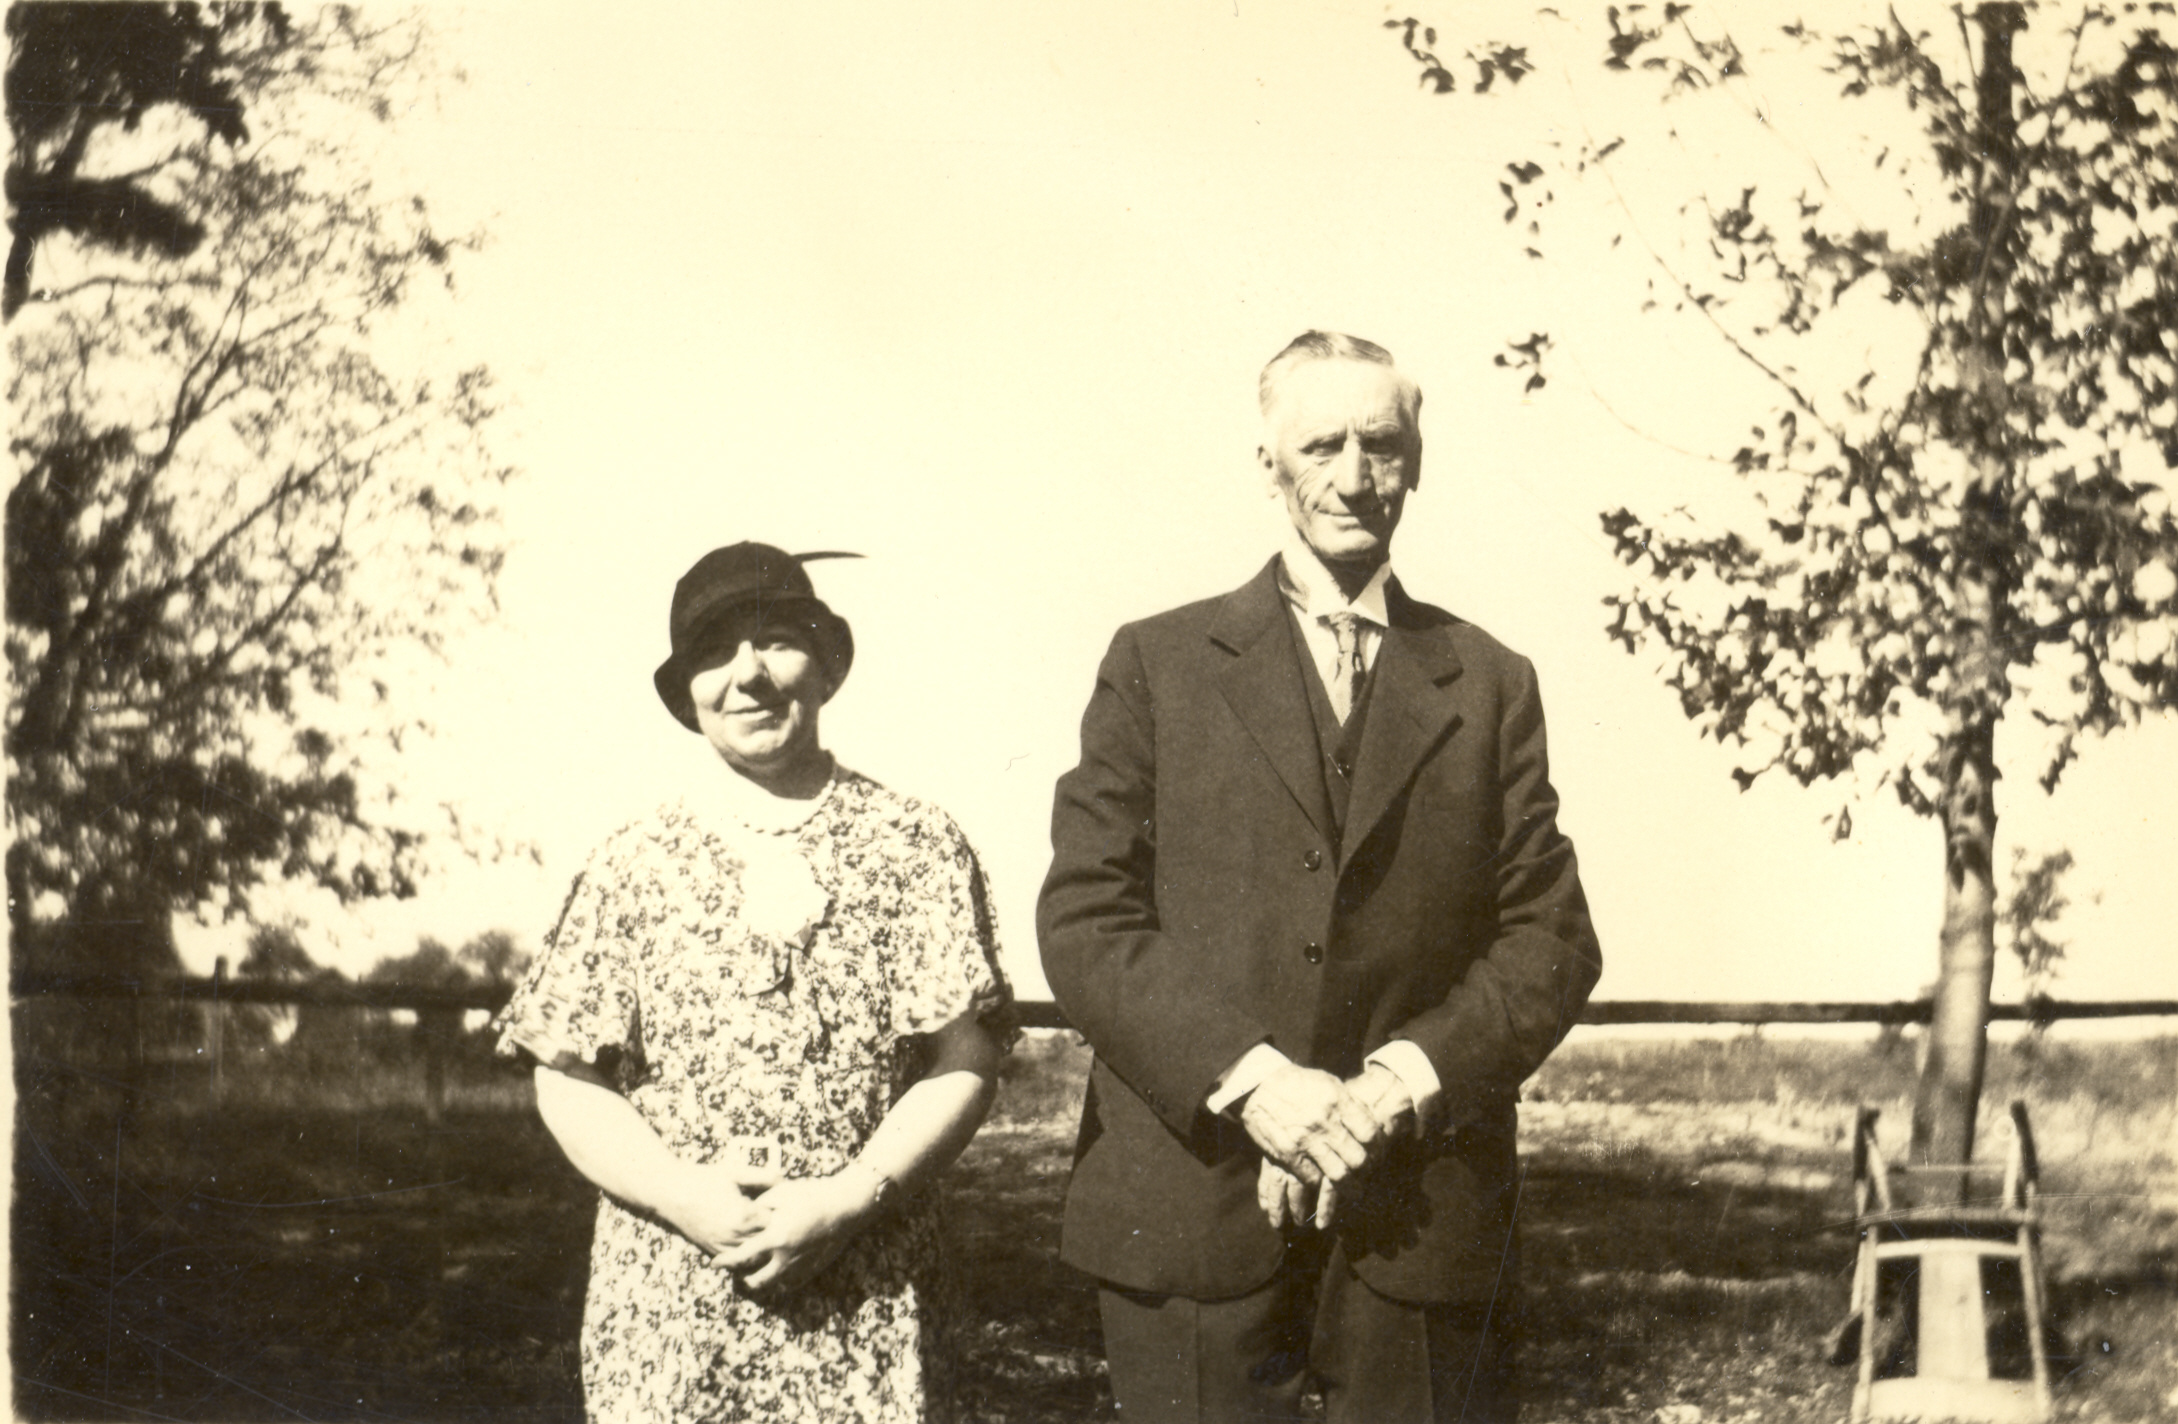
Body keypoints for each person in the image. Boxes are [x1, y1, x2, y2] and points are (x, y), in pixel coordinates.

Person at [1037, 332, 1602, 1423]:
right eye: (1322, 446)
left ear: (1417, 463)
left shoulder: (1490, 680)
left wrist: (1397, 1084)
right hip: (1190, 1204)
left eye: (1381, 446)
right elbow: (1086, 919)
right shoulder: (1157, 662)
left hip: (1420, 1211)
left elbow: (1552, 937)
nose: (1354, 477)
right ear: (1269, 464)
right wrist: (1258, 1086)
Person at [496, 542, 1012, 1424]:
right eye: (714, 651)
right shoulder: (634, 861)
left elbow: (964, 1059)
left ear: (827, 664)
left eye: (777, 640)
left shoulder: (916, 843)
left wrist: (848, 1199)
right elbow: (567, 1075)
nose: (749, 675)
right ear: (687, 693)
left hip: (870, 1292)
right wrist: (683, 1197)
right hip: (671, 1297)